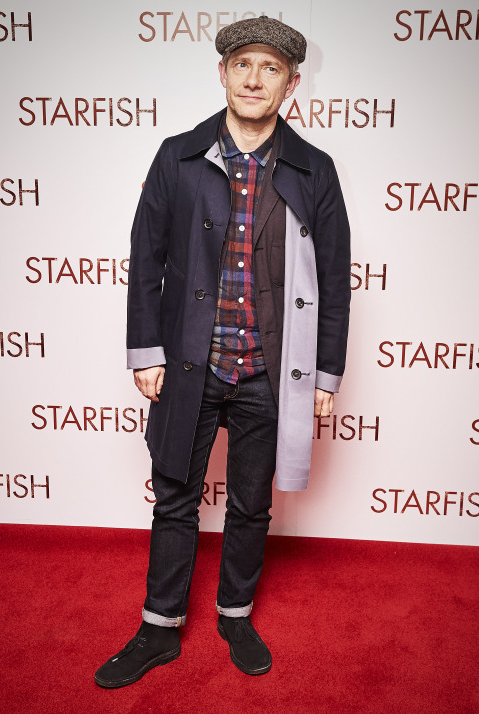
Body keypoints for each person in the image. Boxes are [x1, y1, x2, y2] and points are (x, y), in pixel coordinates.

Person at [95, 15, 350, 688]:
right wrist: (145, 350)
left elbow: (334, 279)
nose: (254, 79)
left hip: (271, 368)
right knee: (174, 496)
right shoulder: (177, 155)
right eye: (243, 65)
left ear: (291, 84)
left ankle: (234, 614)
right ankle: (159, 627)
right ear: (223, 73)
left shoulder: (315, 170)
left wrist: (325, 371)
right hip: (189, 361)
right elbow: (144, 256)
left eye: (270, 69)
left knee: (250, 503)